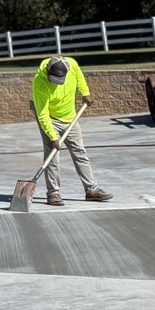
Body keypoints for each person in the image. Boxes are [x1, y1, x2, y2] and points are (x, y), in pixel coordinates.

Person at [31, 56, 112, 206]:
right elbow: (42, 114)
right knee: (52, 156)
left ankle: (91, 190)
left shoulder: (72, 64)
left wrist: (85, 93)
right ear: (48, 72)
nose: (55, 83)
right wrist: (53, 137)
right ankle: (53, 193)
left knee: (80, 152)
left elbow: (79, 77)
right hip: (51, 118)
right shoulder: (39, 82)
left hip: (70, 118)